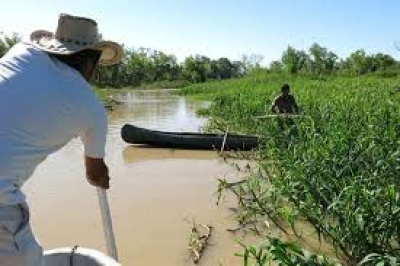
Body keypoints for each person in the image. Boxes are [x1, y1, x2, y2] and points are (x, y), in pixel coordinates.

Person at [0, 13, 123, 265]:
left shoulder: (21, 51)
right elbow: (94, 174)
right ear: (91, 63)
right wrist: (102, 176)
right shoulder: (89, 106)